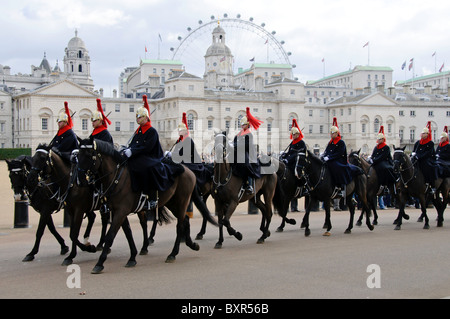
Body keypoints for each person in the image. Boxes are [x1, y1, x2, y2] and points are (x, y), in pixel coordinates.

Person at [121, 95, 184, 209]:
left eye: (140, 117)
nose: (138, 119)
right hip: (140, 156)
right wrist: (128, 149)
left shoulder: (151, 131)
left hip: (151, 157)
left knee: (147, 167)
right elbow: (134, 144)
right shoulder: (139, 131)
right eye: (137, 117)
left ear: (146, 118)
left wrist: (133, 151)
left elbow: (147, 147)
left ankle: (152, 197)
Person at [172, 112, 210, 188]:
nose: (179, 131)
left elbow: (185, 155)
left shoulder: (188, 140)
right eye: (178, 130)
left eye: (181, 130)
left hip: (191, 162)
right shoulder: (180, 141)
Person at [232, 107, 262, 194]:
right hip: (238, 153)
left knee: (246, 164)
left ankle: (249, 184)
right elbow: (234, 142)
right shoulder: (238, 134)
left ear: (247, 125)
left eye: (244, 125)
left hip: (247, 153)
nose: (242, 126)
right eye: (241, 125)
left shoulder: (249, 134)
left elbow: (247, 145)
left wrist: (236, 145)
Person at [321, 117, 353, 198]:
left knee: (336, 167)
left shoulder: (341, 142)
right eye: (331, 133)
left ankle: (340, 187)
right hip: (331, 159)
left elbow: (339, 153)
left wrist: (329, 158)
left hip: (339, 160)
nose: (331, 135)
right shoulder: (331, 142)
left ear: (336, 133)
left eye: (333, 133)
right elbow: (327, 151)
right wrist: (324, 156)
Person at [411, 121, 438, 194]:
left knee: (428, 167)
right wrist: (413, 155)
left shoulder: (430, 143)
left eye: (424, 133)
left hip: (426, 159)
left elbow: (427, 153)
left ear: (427, 134)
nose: (422, 134)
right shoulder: (418, 142)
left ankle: (432, 185)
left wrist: (419, 157)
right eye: (422, 133)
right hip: (417, 158)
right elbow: (414, 150)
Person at [367, 126, 397, 190]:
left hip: (385, 161)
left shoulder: (386, 147)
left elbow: (382, 157)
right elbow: (373, 155)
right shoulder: (376, 147)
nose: (378, 140)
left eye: (380, 139)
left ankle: (385, 184)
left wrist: (374, 160)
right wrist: (371, 159)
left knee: (385, 168)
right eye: (378, 139)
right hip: (376, 161)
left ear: (383, 139)